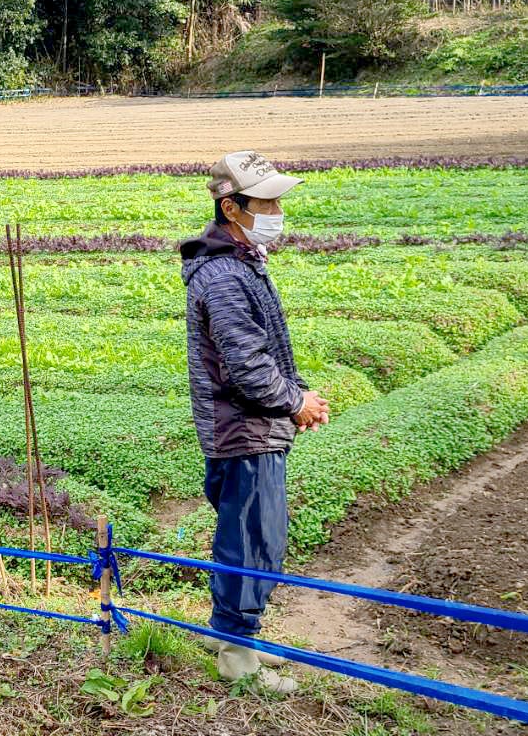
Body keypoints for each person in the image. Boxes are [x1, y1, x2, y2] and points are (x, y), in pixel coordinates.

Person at [179, 150, 330, 695]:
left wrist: (295, 397)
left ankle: (229, 635)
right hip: (245, 429)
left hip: (247, 428)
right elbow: (246, 367)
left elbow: (256, 354)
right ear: (231, 206)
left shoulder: (240, 263)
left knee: (246, 534)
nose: (275, 209)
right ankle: (238, 658)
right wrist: (296, 402)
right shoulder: (223, 275)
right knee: (253, 540)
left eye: (276, 199)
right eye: (264, 200)